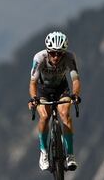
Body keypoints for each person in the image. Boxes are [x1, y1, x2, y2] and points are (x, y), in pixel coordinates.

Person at [28, 31, 81, 171]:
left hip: (61, 89)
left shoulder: (70, 57)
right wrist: (34, 99)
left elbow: (75, 80)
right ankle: (44, 152)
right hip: (42, 90)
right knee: (44, 116)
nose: (56, 57)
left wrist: (75, 95)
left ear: (64, 52)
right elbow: (32, 83)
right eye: (52, 53)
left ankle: (70, 155)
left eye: (59, 53)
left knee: (65, 115)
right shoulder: (39, 58)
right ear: (47, 51)